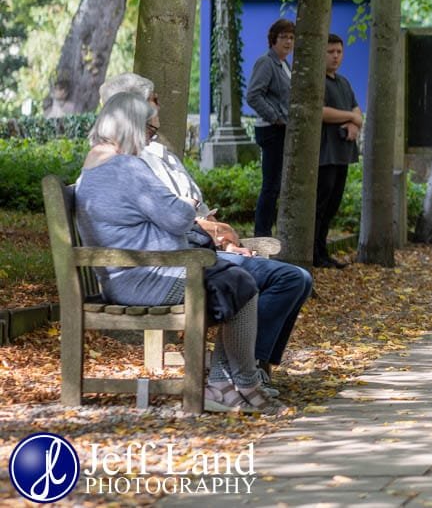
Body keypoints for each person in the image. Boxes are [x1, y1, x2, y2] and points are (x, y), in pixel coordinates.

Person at [99, 73, 313, 394]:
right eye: (153, 100)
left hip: (194, 251)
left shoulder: (157, 151)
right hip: (175, 261)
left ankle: (245, 371)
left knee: (295, 278)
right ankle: (238, 374)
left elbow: (186, 211)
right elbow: (172, 220)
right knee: (285, 279)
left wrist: (223, 237)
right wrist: (215, 239)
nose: (158, 106)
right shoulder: (132, 162)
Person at [75, 93, 279, 413]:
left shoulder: (94, 167)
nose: (151, 139)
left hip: (127, 275)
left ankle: (228, 382)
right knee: (241, 285)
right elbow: (176, 217)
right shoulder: (127, 168)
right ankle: (235, 383)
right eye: (151, 131)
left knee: (234, 280)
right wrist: (188, 204)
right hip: (146, 278)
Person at [315, 34, 361, 269]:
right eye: (330, 52)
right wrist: (352, 117)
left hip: (342, 154)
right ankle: (316, 253)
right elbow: (321, 112)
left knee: (333, 204)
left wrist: (354, 121)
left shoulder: (343, 82)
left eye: (339, 52)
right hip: (325, 154)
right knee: (321, 205)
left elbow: (356, 109)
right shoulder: (317, 81)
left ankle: (322, 252)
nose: (335, 56)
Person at [247, 18, 295, 237]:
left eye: (292, 37)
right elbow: (253, 95)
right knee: (271, 185)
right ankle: (262, 233)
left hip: (284, 130)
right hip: (271, 130)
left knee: (278, 185)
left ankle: (271, 231)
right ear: (273, 39)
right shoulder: (266, 62)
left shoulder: (285, 64)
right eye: (283, 36)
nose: (288, 41)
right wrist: (275, 117)